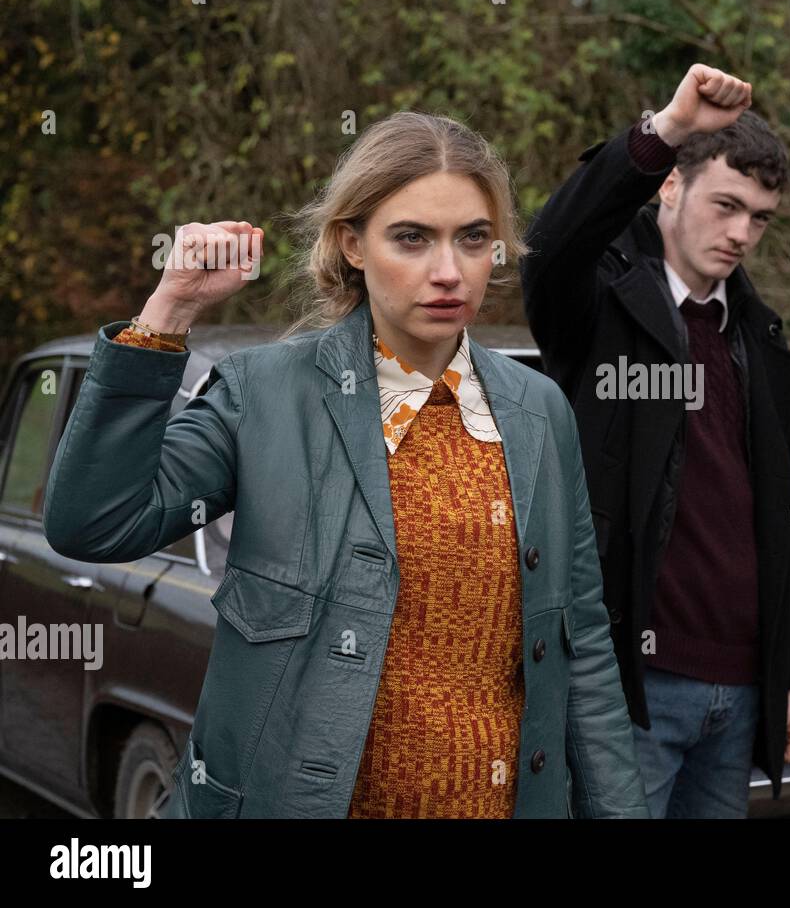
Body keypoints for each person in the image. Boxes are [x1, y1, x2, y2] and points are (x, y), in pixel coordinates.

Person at [43, 111, 648, 819]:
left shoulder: (539, 410)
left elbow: (583, 649)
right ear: (351, 244)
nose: (448, 271)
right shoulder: (265, 395)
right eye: (412, 238)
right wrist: (168, 311)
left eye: (474, 239)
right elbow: (94, 524)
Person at [519, 65, 790, 818]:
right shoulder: (599, 309)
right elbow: (552, 244)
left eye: (760, 218)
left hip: (741, 696)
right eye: (727, 207)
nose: (743, 234)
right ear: (671, 189)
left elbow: (780, 517)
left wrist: (789, 675)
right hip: (630, 690)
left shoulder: (756, 335)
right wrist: (668, 132)